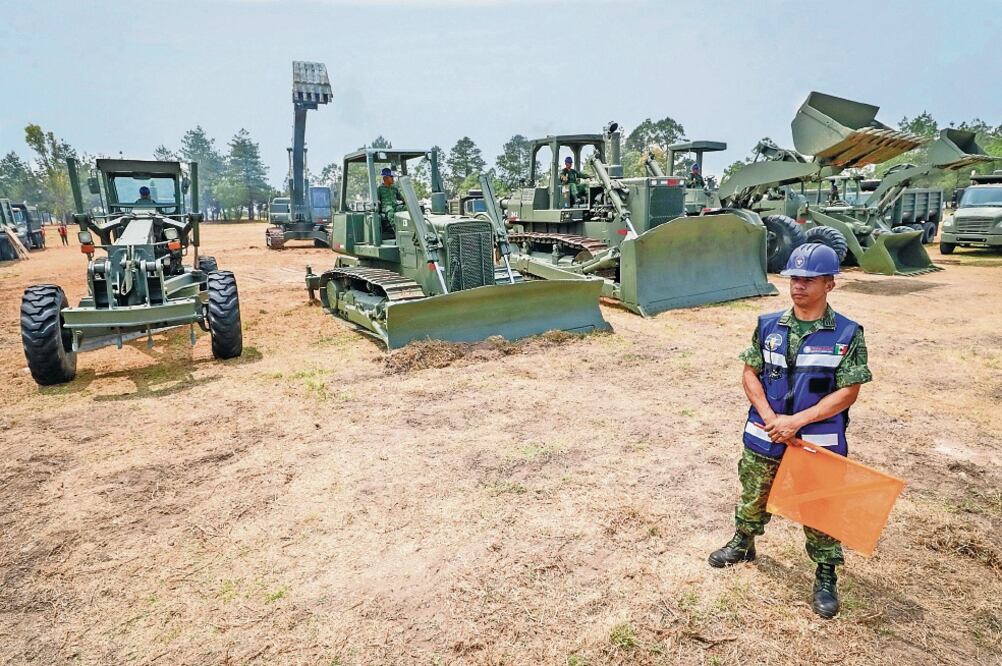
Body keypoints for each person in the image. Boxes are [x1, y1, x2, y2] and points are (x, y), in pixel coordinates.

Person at [708, 243, 872, 620]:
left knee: (819, 507)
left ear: (830, 283)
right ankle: (743, 543)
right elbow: (750, 372)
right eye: (794, 278)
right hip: (765, 432)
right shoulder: (768, 324)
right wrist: (770, 417)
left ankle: (826, 574)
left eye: (808, 280)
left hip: (816, 440)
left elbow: (848, 391)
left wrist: (795, 422)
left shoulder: (847, 333)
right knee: (754, 493)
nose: (798, 286)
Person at [376, 167, 404, 234]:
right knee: (390, 210)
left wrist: (407, 201)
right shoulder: (380, 189)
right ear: (385, 178)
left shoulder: (394, 188)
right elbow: (376, 200)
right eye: (391, 177)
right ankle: (397, 232)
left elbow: (401, 198)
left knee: (406, 208)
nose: (393, 179)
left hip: (395, 206)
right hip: (386, 208)